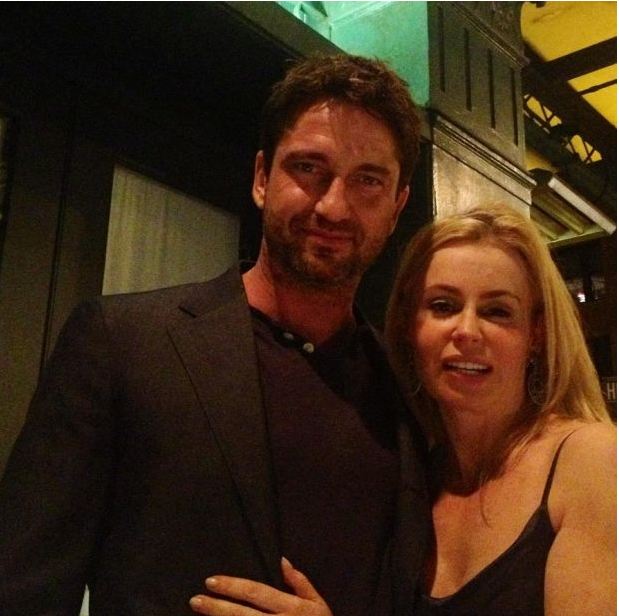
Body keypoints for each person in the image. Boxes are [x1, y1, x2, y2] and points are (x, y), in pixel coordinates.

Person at [0, 54, 430, 616]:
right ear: (261, 178)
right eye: (308, 168)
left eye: (368, 180)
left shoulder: (410, 393)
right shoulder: (121, 344)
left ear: (397, 208)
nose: (333, 206)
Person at [383, 204, 616, 615]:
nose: (467, 331)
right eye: (443, 306)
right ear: (408, 326)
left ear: (536, 334)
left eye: (497, 312)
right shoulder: (413, 476)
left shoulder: (592, 460)